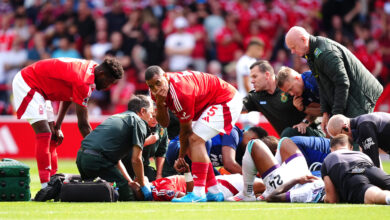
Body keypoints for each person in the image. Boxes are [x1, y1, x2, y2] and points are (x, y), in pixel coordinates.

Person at [12, 57, 123, 188]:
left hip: (40, 88)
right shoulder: (84, 81)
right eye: (109, 82)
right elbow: (83, 125)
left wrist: (58, 125)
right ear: (102, 74)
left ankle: (53, 180)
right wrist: (99, 152)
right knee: (44, 133)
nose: (107, 87)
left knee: (53, 135)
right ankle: (45, 186)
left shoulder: (92, 68)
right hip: (28, 82)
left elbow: (69, 95)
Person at [145, 65, 243, 202]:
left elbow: (186, 131)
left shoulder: (181, 92)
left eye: (158, 83)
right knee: (194, 142)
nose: (155, 89)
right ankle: (213, 191)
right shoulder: (156, 93)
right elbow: (165, 123)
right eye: (151, 86)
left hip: (226, 99)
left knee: (194, 140)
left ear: (165, 77)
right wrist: (160, 104)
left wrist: (180, 157)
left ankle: (198, 193)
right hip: (209, 103)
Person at [285, 26, 383, 135]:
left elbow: (342, 83)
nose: (292, 52)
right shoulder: (311, 53)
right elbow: (322, 84)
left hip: (360, 97)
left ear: (303, 39)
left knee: (359, 140)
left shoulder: (324, 53)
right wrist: (326, 112)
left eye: (293, 47)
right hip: (352, 95)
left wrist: (336, 116)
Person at [76, 95, 154, 201]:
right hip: (97, 160)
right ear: (143, 111)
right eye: (151, 111)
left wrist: (129, 181)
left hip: (81, 157)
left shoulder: (117, 117)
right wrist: (143, 185)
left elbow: (116, 159)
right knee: (127, 196)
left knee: (92, 195)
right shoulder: (139, 122)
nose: (151, 115)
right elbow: (136, 159)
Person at [243, 60, 323, 137]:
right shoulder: (255, 97)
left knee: (288, 133)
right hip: (287, 142)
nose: (252, 81)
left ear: (267, 75)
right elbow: (236, 107)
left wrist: (305, 122)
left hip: (311, 134)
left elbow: (321, 109)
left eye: (255, 76)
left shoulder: (290, 85)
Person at [226, 138, 313, 202]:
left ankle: (246, 194)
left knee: (253, 143)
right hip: (306, 177)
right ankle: (269, 189)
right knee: (285, 141)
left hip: (294, 185)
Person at [321, 134, 390, 204]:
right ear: (351, 148)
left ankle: (387, 197)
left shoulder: (328, 159)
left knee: (372, 194)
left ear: (331, 149)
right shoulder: (363, 155)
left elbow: (332, 199)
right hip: (370, 169)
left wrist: (324, 198)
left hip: (351, 173)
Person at [122, 108, 169, 181]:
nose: (155, 120)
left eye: (158, 117)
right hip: (126, 165)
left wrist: (159, 175)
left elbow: (161, 152)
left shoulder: (161, 128)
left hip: (144, 165)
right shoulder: (136, 124)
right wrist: (147, 142)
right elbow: (126, 149)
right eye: (153, 116)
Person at [276, 67, 323, 135]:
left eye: (291, 89)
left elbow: (328, 109)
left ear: (297, 78)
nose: (291, 94)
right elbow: (321, 111)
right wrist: (304, 109)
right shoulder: (300, 93)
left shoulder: (313, 81)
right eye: (288, 92)